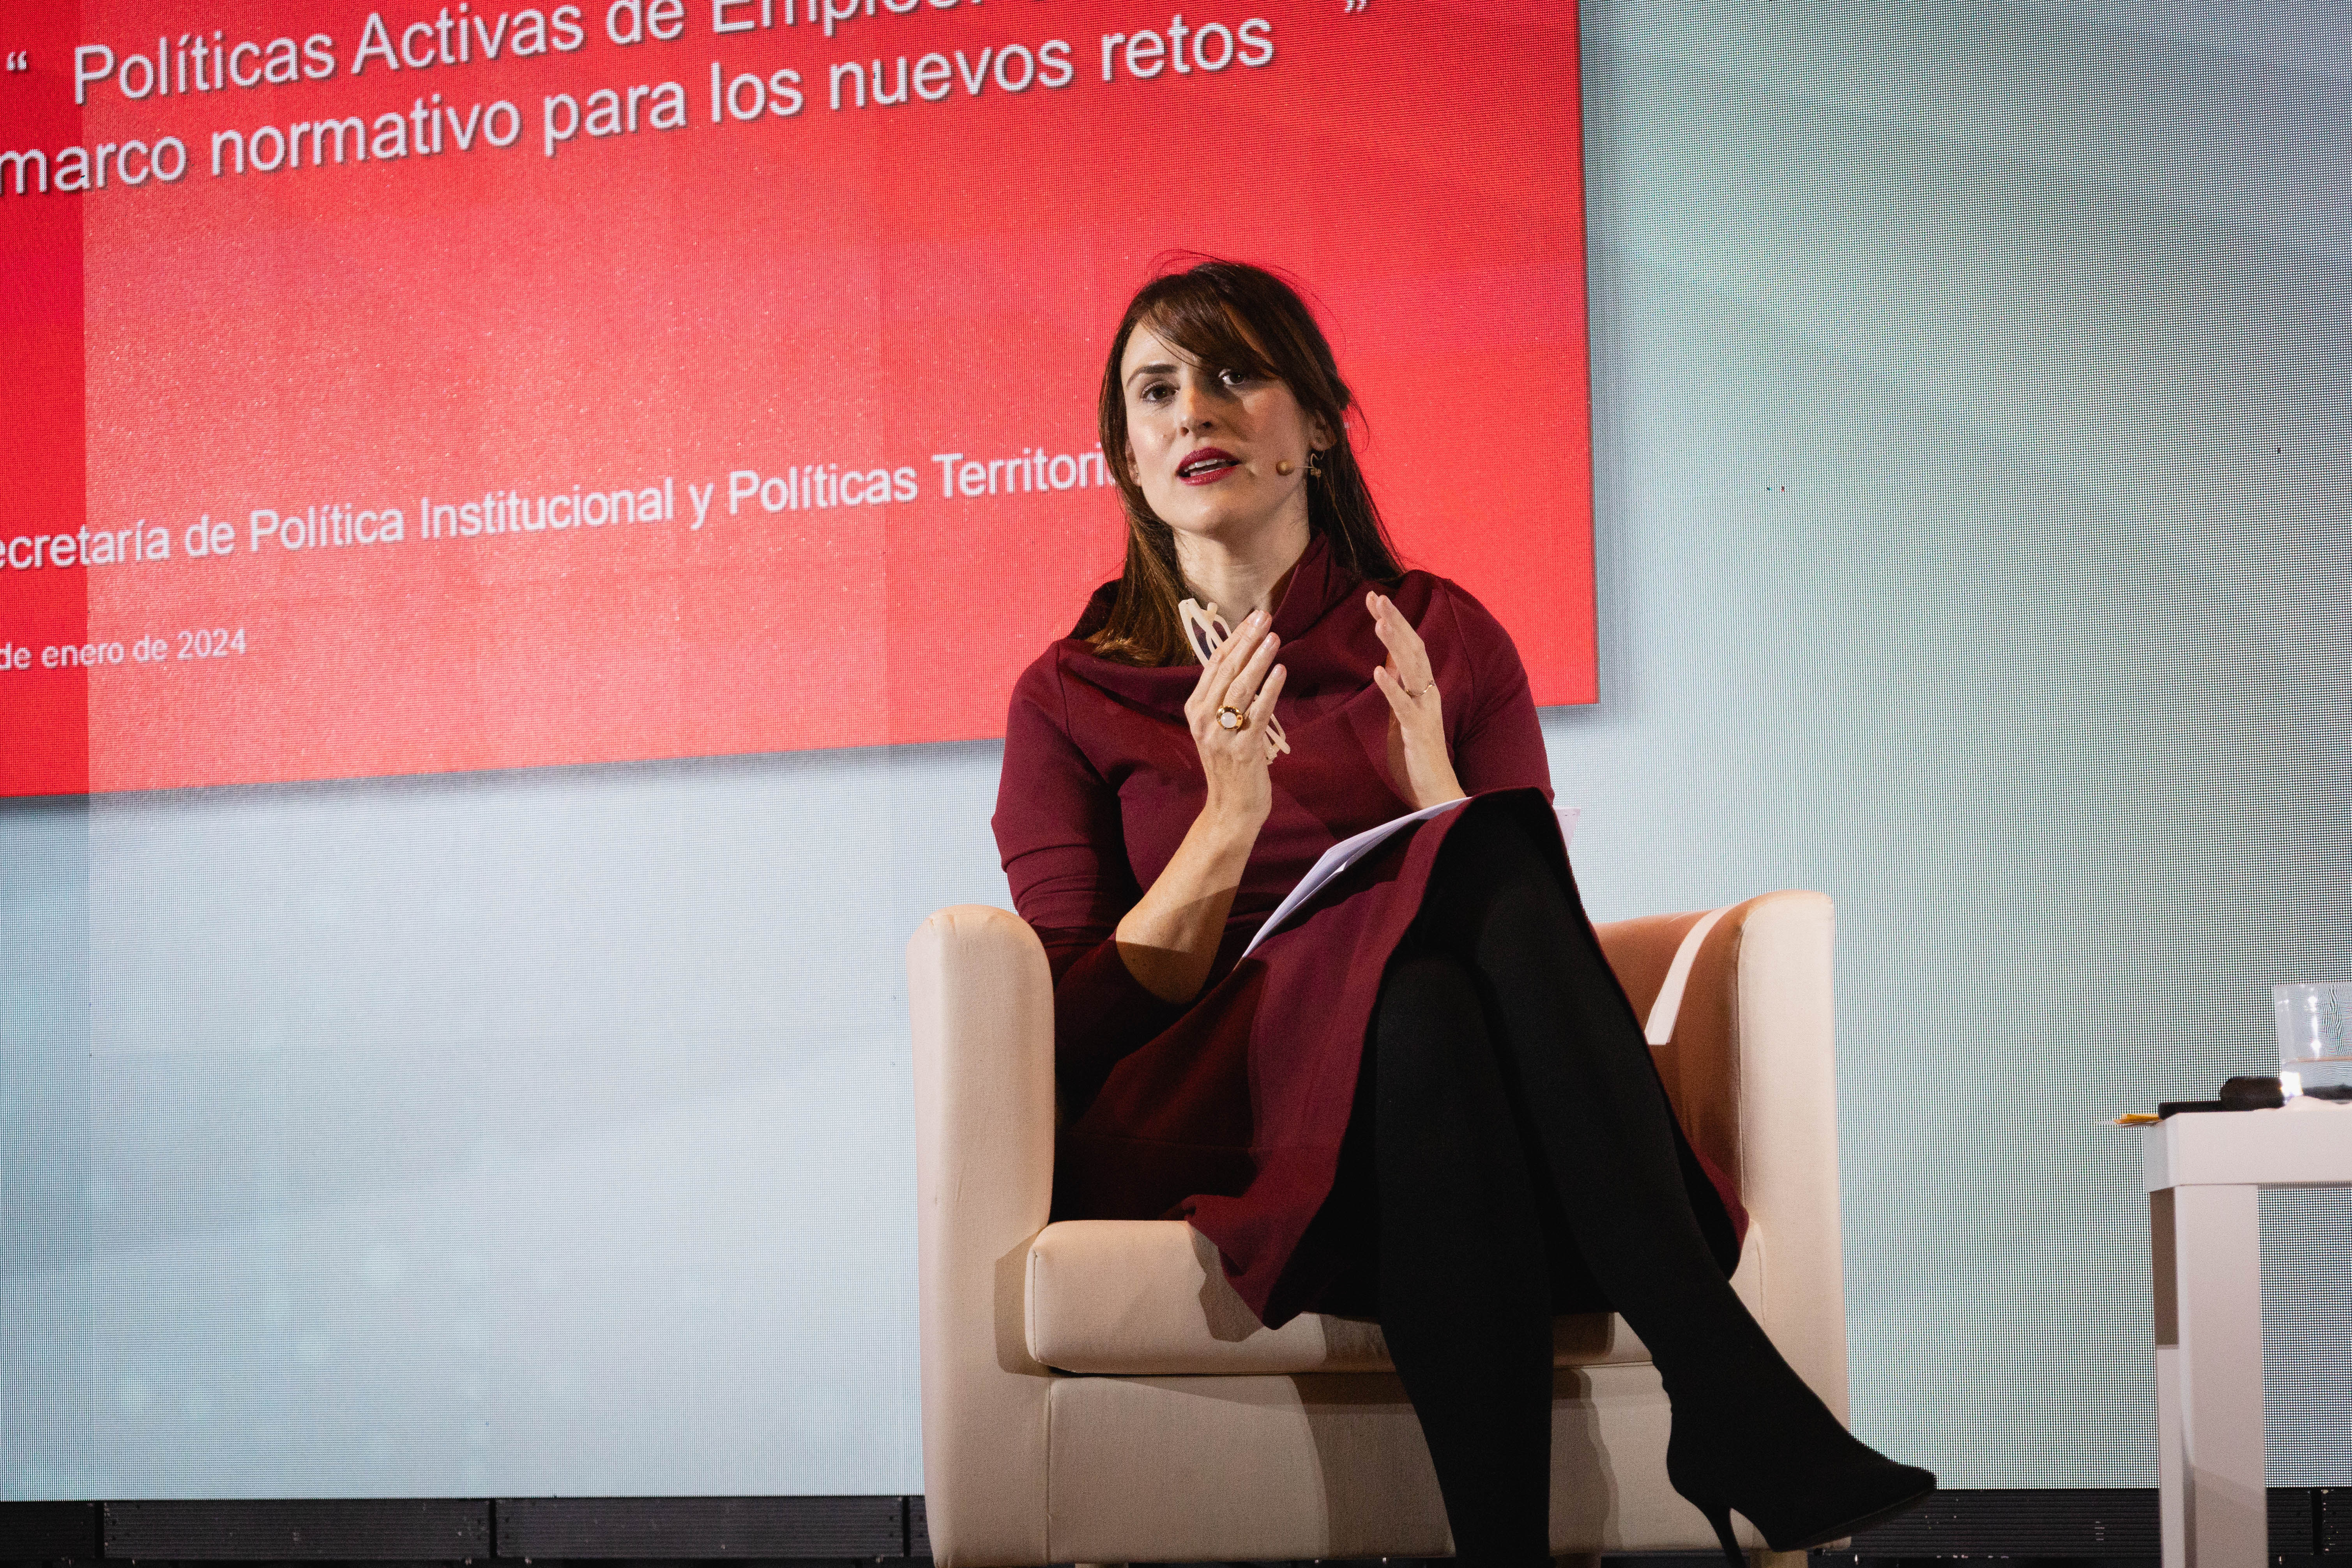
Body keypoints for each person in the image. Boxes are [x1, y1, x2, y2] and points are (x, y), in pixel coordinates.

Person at [991, 258, 1933, 1568]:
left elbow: (1535, 964)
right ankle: (1724, 1385)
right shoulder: (1069, 692)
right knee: (1461, 907)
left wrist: (1436, 798)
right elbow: (1074, 1026)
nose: (1193, 410)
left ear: (1318, 426)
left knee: (1432, 1000)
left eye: (1234, 375)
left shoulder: (1438, 636)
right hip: (1212, 1107)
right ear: (1128, 459)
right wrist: (1225, 823)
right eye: (1156, 392)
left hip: (1429, 1095)